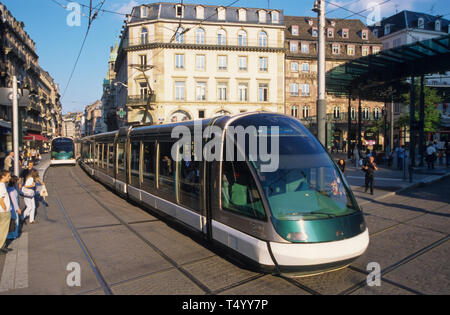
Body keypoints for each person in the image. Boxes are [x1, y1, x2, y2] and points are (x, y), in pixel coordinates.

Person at [0, 170, 12, 254]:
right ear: (3, 176)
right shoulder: (1, 186)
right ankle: (0, 246)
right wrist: (5, 209)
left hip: (3, 210)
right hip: (4, 211)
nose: (10, 177)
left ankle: (3, 245)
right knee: (3, 229)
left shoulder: (2, 185)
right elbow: (1, 199)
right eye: (8, 176)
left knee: (3, 229)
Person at [7, 176, 21, 240]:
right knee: (15, 221)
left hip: (10, 207)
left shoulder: (8, 188)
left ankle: (11, 234)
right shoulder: (12, 190)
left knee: (11, 221)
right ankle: (13, 235)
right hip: (13, 208)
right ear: (15, 182)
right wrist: (17, 209)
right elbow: (14, 201)